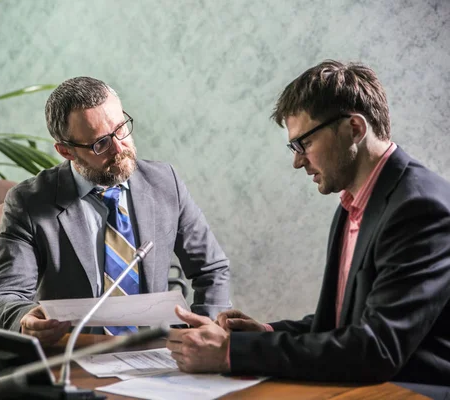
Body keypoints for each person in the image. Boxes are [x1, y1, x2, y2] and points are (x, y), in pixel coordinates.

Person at [167, 60, 450, 390]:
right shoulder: (354, 203)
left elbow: (377, 349)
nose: (297, 161)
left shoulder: (420, 209)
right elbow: (342, 326)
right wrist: (266, 334)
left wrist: (232, 351)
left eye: (304, 144)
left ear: (354, 129)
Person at [0, 76, 231, 344]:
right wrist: (25, 319)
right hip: (75, 353)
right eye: (100, 143)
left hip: (157, 352)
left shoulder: (164, 182)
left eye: (121, 129)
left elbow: (211, 269)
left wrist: (206, 333)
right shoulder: (29, 202)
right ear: (66, 151)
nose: (119, 148)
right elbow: (2, 296)